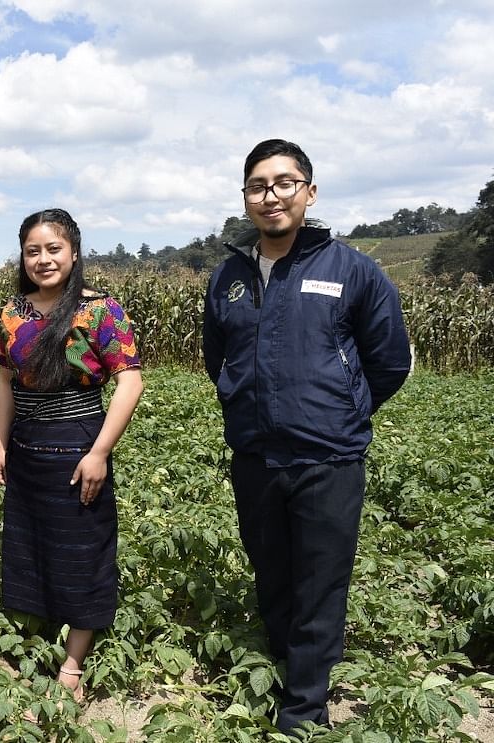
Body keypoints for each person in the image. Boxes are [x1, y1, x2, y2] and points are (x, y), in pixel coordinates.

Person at [203, 139, 412, 732]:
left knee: (320, 583)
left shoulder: (350, 269)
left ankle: (302, 711)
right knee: (271, 572)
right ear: (245, 198)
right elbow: (217, 356)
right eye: (257, 185)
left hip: (329, 458)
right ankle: (281, 664)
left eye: (283, 182)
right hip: (256, 455)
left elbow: (390, 360)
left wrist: (343, 410)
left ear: (309, 192)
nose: (270, 195)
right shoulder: (230, 277)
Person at [0, 208, 143, 706]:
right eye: (32, 250)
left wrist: (100, 451)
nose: (43, 259)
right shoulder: (13, 313)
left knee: (82, 550)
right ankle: (32, 641)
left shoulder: (101, 311)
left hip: (79, 443)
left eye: (53, 248)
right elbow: (6, 382)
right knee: (31, 544)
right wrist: (0, 441)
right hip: (27, 447)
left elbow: (130, 382)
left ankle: (73, 664)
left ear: (74, 252)